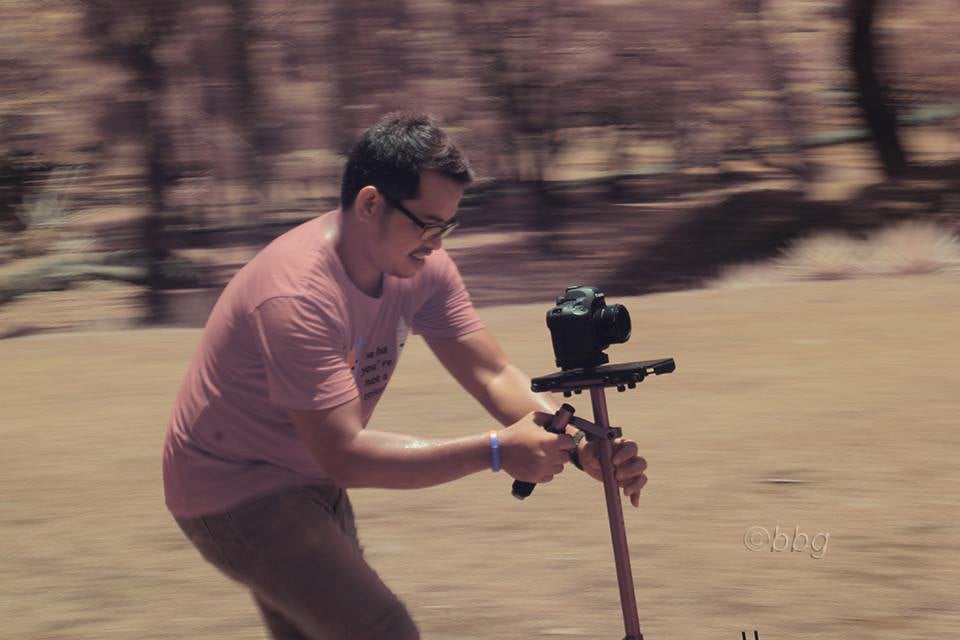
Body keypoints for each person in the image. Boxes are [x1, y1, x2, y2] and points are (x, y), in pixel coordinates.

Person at [162, 111, 649, 640]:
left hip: (308, 476)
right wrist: (495, 451)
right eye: (427, 224)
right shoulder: (297, 296)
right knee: (381, 629)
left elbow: (490, 372)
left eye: (447, 227)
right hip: (232, 487)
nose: (437, 243)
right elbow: (344, 454)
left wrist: (580, 445)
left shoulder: (422, 269)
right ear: (371, 204)